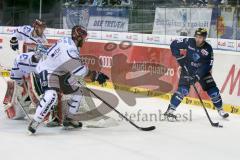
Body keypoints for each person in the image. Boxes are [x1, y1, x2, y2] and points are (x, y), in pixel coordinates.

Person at [28, 25, 109, 134]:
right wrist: (96, 75)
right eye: (84, 38)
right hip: (47, 70)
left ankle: (69, 118)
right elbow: (79, 71)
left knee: (78, 91)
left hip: (60, 70)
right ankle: (35, 122)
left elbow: (72, 66)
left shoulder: (68, 41)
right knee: (51, 95)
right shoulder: (70, 50)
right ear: (79, 38)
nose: (85, 41)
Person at [164, 28, 229, 119]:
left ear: (204, 38)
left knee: (213, 91)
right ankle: (170, 110)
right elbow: (174, 44)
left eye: (200, 37)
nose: (198, 39)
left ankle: (220, 109)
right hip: (188, 69)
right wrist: (179, 57)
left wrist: (198, 75)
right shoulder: (189, 41)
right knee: (183, 90)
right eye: (197, 36)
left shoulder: (208, 48)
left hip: (202, 73)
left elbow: (207, 65)